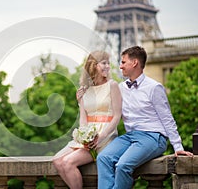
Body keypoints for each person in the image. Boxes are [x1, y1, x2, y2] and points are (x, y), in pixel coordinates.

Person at [97, 46, 193, 189]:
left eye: (123, 62)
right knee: (103, 158)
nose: (120, 66)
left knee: (123, 165)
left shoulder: (154, 87)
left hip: (153, 137)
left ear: (134, 62)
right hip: (130, 137)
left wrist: (177, 146)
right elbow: (110, 113)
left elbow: (167, 119)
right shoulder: (121, 88)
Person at [52, 51, 122, 189]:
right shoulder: (85, 90)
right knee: (56, 160)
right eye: (104, 63)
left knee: (67, 162)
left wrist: (100, 137)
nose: (107, 66)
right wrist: (83, 136)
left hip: (105, 137)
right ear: (93, 65)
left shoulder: (112, 85)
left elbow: (117, 116)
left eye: (108, 63)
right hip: (88, 136)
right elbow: (84, 119)